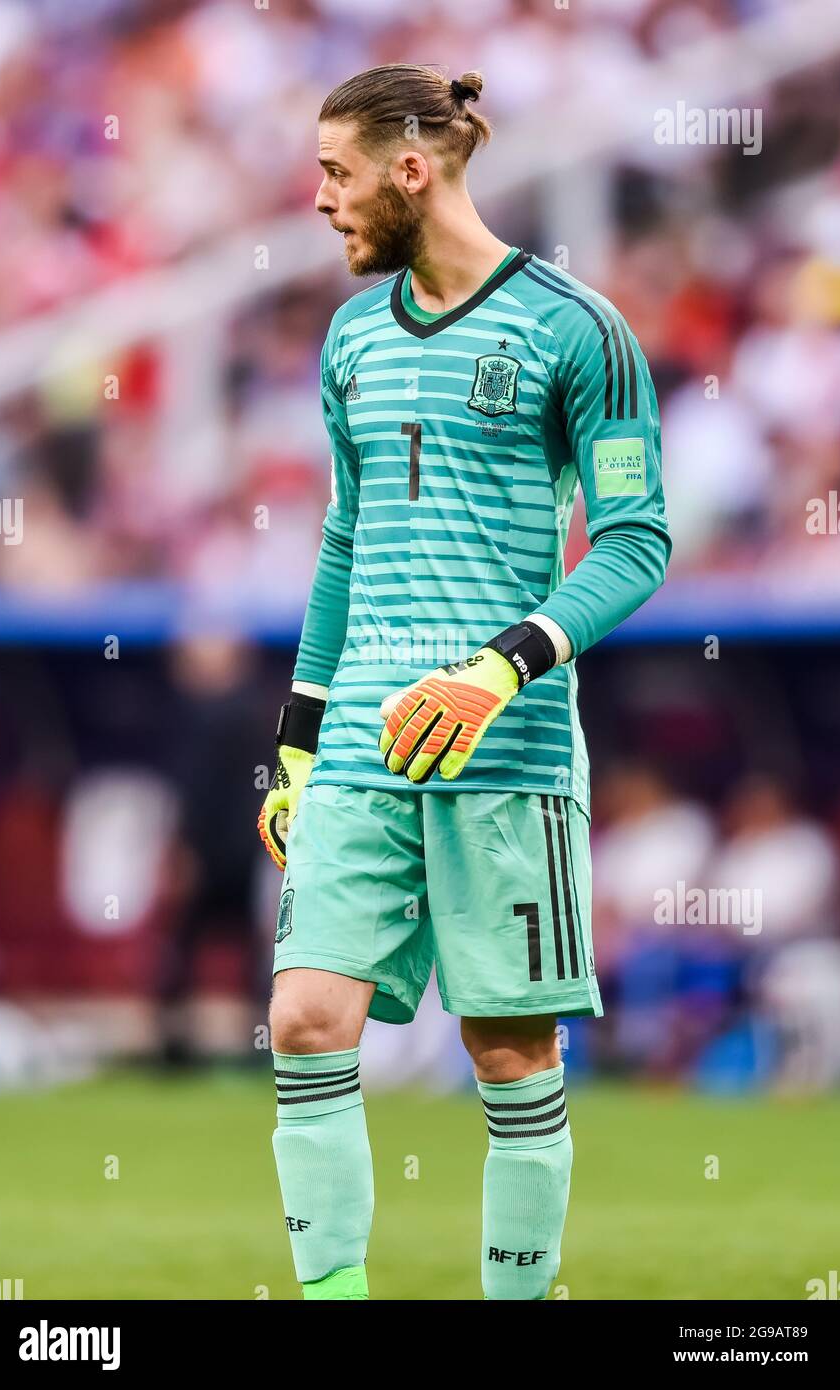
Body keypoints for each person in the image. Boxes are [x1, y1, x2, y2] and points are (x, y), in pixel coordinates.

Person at [258, 64, 670, 1301]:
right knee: (303, 1021)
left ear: (411, 169)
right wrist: (296, 737)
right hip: (365, 744)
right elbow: (342, 541)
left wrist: (503, 667)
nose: (320, 200)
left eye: (336, 172)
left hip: (510, 749)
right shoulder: (347, 339)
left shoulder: (575, 329)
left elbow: (639, 539)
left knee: (508, 1046)